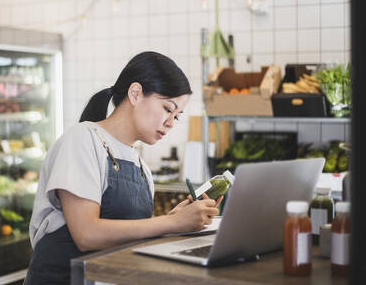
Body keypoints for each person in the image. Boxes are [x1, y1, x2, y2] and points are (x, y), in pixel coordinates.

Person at [24, 51, 222, 284]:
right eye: (168, 109)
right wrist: (172, 223)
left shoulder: (141, 167)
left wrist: (176, 219)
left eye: (177, 116)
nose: (170, 123)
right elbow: (87, 234)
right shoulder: (82, 138)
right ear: (135, 93)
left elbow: (128, 233)